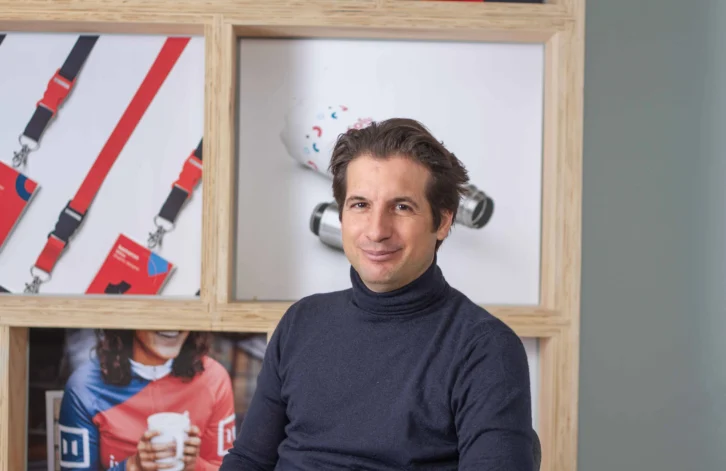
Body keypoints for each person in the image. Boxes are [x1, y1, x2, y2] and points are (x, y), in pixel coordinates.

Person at [220, 118, 535, 470]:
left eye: (402, 206)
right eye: (360, 205)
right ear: (341, 215)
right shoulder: (301, 321)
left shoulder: (485, 348)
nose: (376, 231)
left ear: (443, 221)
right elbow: (249, 459)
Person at [57, 330, 237, 471]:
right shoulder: (86, 386)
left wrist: (195, 466)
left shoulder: (213, 379)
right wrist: (132, 467)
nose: (171, 325)